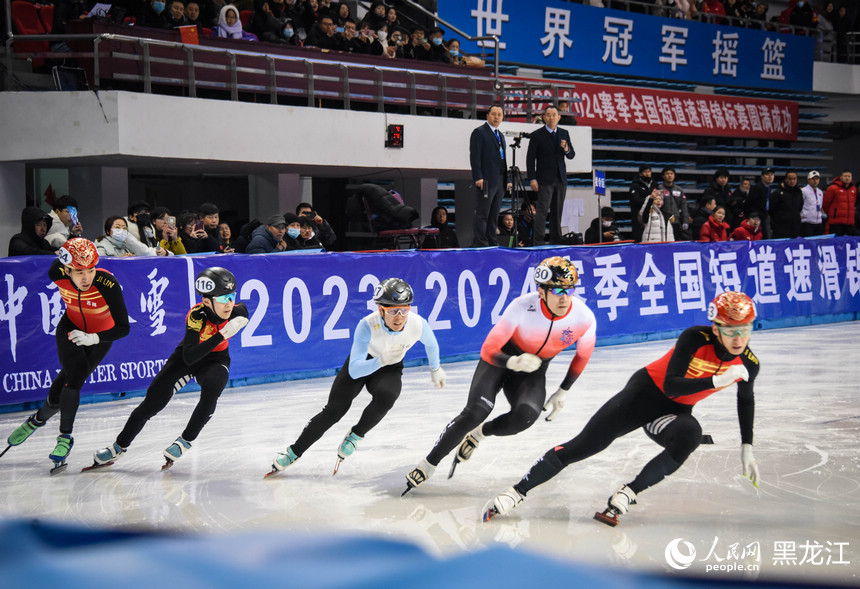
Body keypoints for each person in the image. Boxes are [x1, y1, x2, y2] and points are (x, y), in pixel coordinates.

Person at [481, 291, 761, 525]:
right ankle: (516, 492)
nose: (739, 338)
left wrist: (746, 446)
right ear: (716, 328)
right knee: (583, 446)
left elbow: (745, 399)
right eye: (731, 330)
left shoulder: (749, 363)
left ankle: (628, 493)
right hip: (644, 394)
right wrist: (715, 379)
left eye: (745, 330)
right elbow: (672, 386)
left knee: (689, 436)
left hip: (672, 414)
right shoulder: (694, 338)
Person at [403, 257, 596, 495]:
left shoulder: (583, 317)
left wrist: (563, 390)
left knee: (526, 416)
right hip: (501, 359)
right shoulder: (522, 306)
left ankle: (479, 435)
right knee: (476, 411)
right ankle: (429, 463)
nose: (565, 297)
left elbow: (583, 354)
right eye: (557, 290)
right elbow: (488, 348)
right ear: (541, 291)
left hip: (534, 369)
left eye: (570, 290)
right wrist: (513, 361)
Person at [267, 278, 446, 476]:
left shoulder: (417, 324)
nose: (399, 317)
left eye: (404, 310)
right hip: (363, 364)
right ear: (380, 310)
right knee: (334, 411)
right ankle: (294, 452)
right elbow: (354, 371)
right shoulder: (366, 325)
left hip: (389, 367)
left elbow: (431, 344)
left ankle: (355, 435)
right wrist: (380, 360)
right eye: (393, 311)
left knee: (388, 397)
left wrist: (435, 369)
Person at [87, 267, 249, 471]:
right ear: (207, 301)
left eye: (232, 296)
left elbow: (238, 316)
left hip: (216, 359)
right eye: (223, 298)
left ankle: (185, 441)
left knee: (213, 389)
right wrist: (222, 335)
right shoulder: (196, 315)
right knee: (151, 403)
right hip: (187, 356)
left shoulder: (240, 311)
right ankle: (118, 446)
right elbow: (189, 356)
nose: (229, 303)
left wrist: (222, 335)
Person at [2, 239, 130, 472]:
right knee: (73, 376)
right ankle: (47, 426)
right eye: (79, 272)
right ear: (67, 269)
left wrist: (95, 338)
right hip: (69, 328)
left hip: (100, 337)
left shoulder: (106, 283)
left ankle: (52, 429)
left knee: (69, 383)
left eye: (91, 270)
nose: (86, 278)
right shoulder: (56, 272)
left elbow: (124, 327)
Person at [526, 105, 575, 246]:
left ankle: (556, 238)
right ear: (543, 117)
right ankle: (539, 240)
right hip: (544, 179)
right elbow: (530, 159)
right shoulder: (537, 135)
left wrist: (566, 148)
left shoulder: (564, 133)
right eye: (548, 114)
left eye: (554, 114)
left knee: (557, 210)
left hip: (560, 178)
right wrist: (532, 178)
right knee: (542, 210)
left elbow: (571, 155)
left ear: (559, 117)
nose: (551, 117)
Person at [470, 105, 512, 247]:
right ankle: (481, 242)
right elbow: (475, 156)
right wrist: (478, 177)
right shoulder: (479, 132)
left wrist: (508, 179)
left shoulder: (500, 135)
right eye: (493, 114)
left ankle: (492, 241)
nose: (496, 117)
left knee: (494, 213)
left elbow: (503, 159)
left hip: (500, 179)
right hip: (486, 180)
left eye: (499, 114)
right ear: (487, 116)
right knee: (483, 213)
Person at [95, 216, 168, 257]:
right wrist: (120, 260)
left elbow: (144, 251)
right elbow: (102, 265)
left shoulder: (127, 244)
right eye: (117, 227)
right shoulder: (101, 245)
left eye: (124, 228)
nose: (121, 230)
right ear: (108, 231)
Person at [657, 166, 690, 240]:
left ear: (674, 176)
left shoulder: (679, 190)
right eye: (667, 174)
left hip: (676, 221)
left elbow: (684, 206)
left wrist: (685, 221)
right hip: (663, 221)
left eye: (671, 174)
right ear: (663, 176)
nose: (669, 175)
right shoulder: (659, 189)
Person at [628, 164, 659, 243]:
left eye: (649, 172)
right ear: (640, 174)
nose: (647, 174)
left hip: (653, 216)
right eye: (645, 172)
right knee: (639, 238)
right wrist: (650, 200)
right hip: (639, 217)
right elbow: (636, 201)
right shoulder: (635, 185)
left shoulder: (655, 184)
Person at [769, 171, 803, 239]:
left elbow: (800, 207)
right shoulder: (777, 193)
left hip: (795, 228)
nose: (792, 181)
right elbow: (772, 210)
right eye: (790, 179)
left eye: (794, 179)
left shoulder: (799, 192)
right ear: (786, 179)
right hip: (780, 228)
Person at [823, 169, 856, 236]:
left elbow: (853, 203)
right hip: (836, 222)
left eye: (849, 176)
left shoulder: (853, 189)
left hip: (849, 222)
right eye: (845, 176)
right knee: (837, 244)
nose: (847, 178)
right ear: (840, 177)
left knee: (847, 244)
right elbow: (825, 204)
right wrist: (833, 213)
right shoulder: (832, 188)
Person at [746, 168, 775, 238]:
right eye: (767, 174)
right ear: (762, 176)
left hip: (765, 216)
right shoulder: (756, 188)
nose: (770, 176)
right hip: (757, 217)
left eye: (771, 174)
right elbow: (749, 203)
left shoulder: (769, 188)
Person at [800, 170, 825, 237]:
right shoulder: (803, 191)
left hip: (818, 222)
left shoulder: (820, 192)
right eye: (813, 179)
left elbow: (820, 206)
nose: (815, 181)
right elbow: (800, 205)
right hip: (807, 222)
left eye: (817, 179)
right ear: (808, 180)